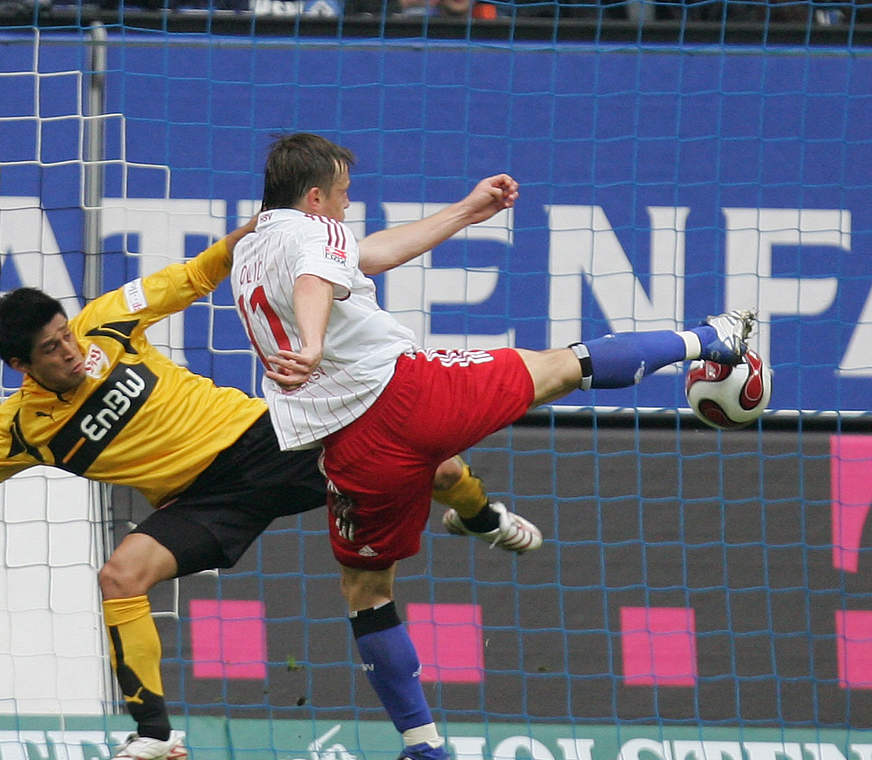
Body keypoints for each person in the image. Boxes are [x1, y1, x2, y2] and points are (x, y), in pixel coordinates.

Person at [0, 222, 540, 760]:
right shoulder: (21, 428)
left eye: (63, 334)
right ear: (20, 365)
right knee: (120, 574)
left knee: (438, 469)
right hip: (204, 503)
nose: (69, 350)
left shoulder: (107, 319)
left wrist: (265, 226)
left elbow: (199, 272)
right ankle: (155, 735)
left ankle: (482, 518)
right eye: (49, 350)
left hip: (268, 439)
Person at [231, 132, 756, 760]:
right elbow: (321, 273)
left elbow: (362, 258)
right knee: (563, 366)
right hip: (407, 395)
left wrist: (464, 212)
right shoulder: (314, 234)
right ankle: (712, 338)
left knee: (367, 592)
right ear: (315, 196)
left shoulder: (253, 249)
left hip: (348, 448)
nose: (348, 205)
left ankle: (423, 744)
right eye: (343, 194)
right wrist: (314, 343)